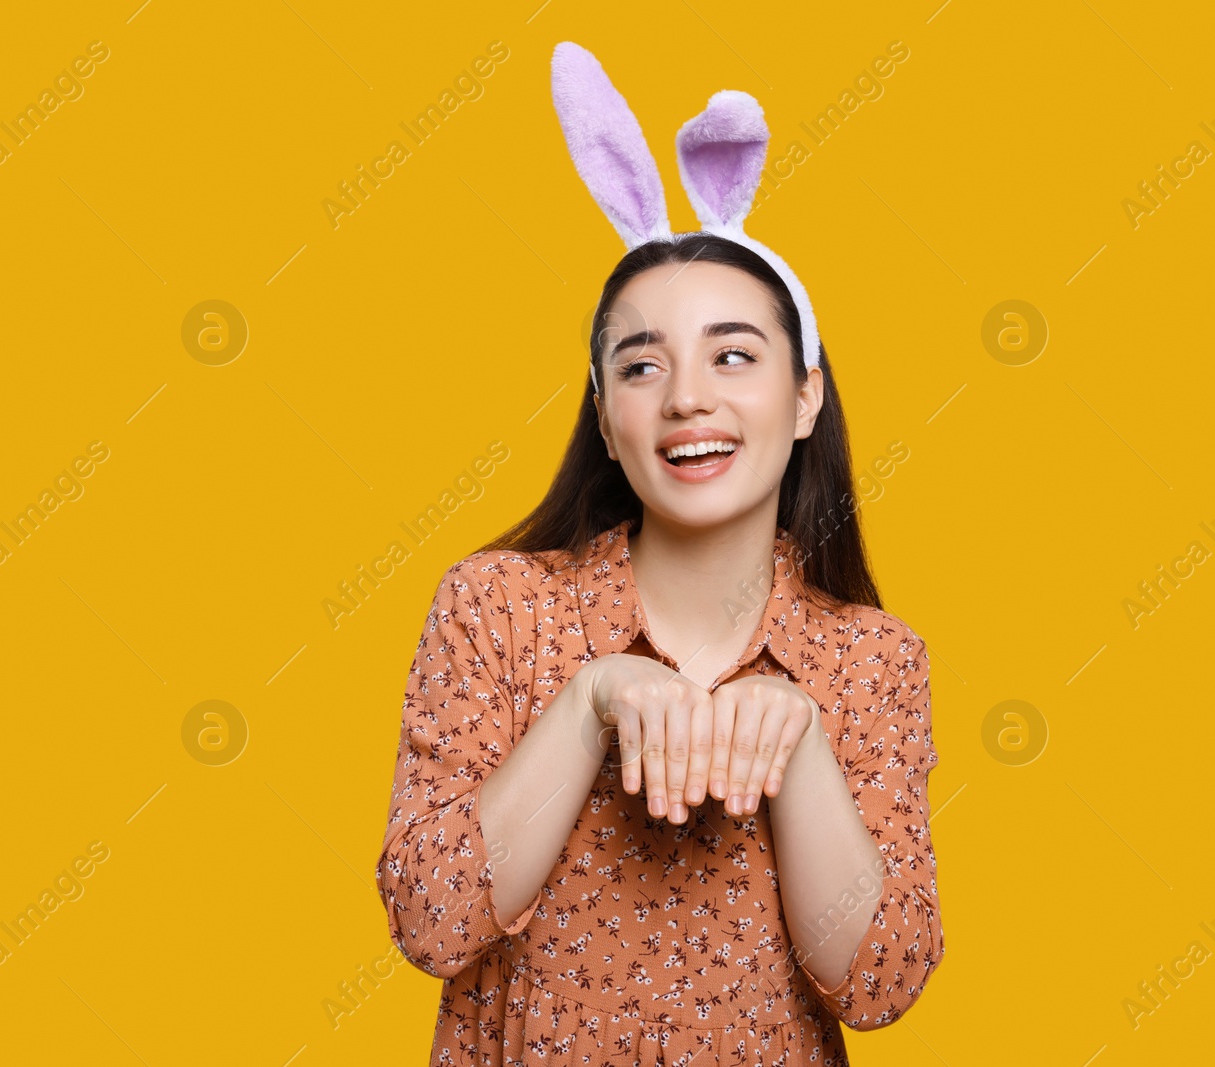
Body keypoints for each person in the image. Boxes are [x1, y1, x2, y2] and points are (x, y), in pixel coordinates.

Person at [374, 43, 945, 1067]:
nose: (687, 396)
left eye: (733, 353)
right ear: (605, 412)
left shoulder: (873, 661)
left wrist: (800, 742)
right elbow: (431, 917)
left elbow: (877, 979)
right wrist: (589, 697)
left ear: (804, 393)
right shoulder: (496, 608)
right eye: (642, 364)